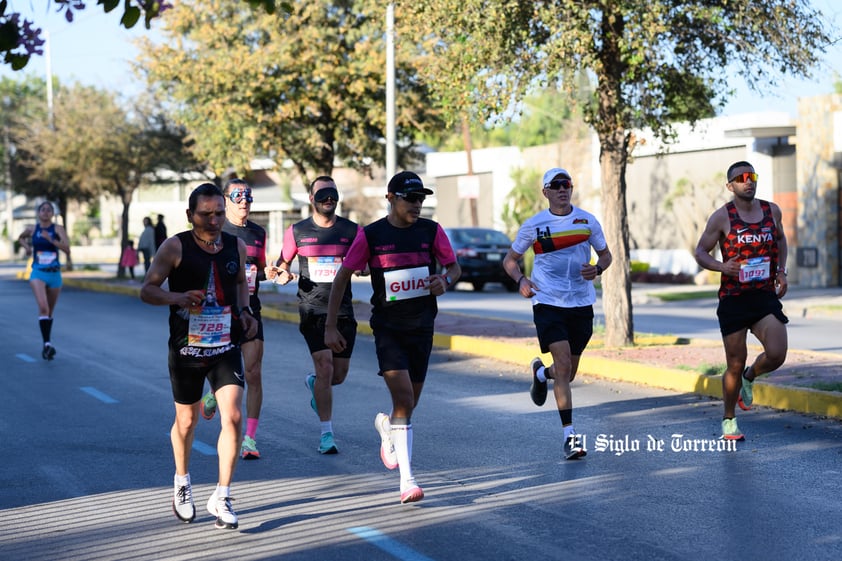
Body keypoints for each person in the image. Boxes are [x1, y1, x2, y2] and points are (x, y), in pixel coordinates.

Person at [325, 171, 461, 504]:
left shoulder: (431, 231)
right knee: (403, 397)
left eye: (421, 199)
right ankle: (407, 480)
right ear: (391, 199)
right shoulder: (372, 235)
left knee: (409, 403)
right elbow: (343, 276)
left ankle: (388, 428)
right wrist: (330, 325)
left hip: (423, 325)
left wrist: (446, 280)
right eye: (410, 198)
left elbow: (453, 267)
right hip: (388, 328)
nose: (417, 205)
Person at [140, 182, 258, 530]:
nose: (214, 220)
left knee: (233, 416)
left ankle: (222, 495)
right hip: (187, 348)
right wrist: (177, 299)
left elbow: (239, 284)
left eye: (219, 213)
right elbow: (147, 290)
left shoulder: (236, 245)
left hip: (224, 345)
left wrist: (246, 311)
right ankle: (182, 481)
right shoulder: (175, 246)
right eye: (206, 214)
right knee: (187, 422)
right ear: (190, 215)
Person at [502, 167, 612, 460]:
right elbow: (510, 261)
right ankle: (570, 437)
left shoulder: (587, 221)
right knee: (563, 365)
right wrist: (522, 280)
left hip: (581, 303)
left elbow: (606, 255)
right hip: (548, 301)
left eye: (567, 184)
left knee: (568, 373)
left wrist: (598, 269)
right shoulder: (534, 226)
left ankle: (541, 373)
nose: (563, 189)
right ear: (546, 192)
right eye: (556, 185)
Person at [266, 176, 362, 455]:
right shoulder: (297, 231)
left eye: (332, 193)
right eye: (322, 195)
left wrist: (363, 268)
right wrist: (281, 275)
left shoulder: (352, 231)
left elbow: (364, 265)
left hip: (343, 310)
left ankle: (315, 384)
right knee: (325, 368)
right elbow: (281, 266)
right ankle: (326, 435)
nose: (328, 199)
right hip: (312, 309)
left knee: (338, 375)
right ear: (311, 199)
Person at [694, 161, 788, 441]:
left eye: (752, 176)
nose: (748, 181)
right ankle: (728, 419)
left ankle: (750, 376)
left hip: (763, 297)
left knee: (777, 352)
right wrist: (722, 267)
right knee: (734, 362)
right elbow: (701, 251)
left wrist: (782, 271)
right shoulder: (722, 217)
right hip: (734, 299)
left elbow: (781, 240)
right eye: (741, 177)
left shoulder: (772, 211)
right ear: (730, 186)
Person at [199, 178, 268, 460]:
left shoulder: (258, 233)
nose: (244, 201)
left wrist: (272, 273)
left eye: (248, 196)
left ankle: (249, 439)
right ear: (226, 200)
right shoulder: (216, 229)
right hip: (219, 312)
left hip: (250, 309)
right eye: (238, 196)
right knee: (220, 367)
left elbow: (259, 269)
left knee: (253, 372)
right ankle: (214, 392)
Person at [17, 201, 71, 360]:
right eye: (43, 210)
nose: (46, 212)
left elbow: (67, 249)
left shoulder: (58, 229)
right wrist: (27, 247)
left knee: (49, 312)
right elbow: (20, 238)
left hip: (54, 274)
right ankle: (47, 344)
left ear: (52, 214)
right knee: (43, 307)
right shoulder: (33, 229)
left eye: (49, 210)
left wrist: (52, 240)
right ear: (38, 213)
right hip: (38, 272)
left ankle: (46, 343)